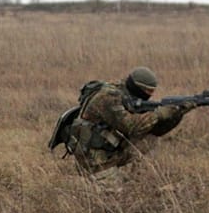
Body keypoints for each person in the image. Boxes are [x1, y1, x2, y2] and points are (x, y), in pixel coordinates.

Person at [59, 66, 197, 190]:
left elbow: (156, 131)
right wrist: (159, 114)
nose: (149, 96)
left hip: (109, 151)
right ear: (138, 87)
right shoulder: (109, 97)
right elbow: (131, 126)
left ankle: (130, 176)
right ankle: (74, 183)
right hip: (93, 158)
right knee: (113, 195)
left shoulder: (128, 94)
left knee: (150, 138)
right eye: (147, 91)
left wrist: (177, 113)